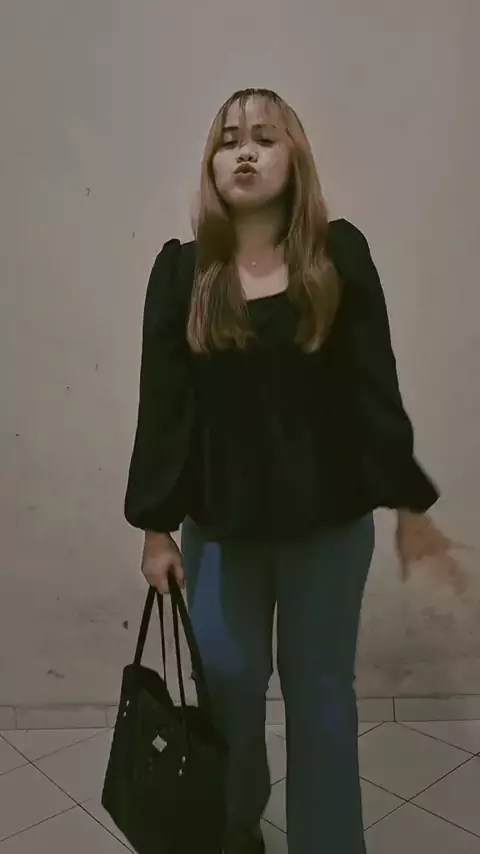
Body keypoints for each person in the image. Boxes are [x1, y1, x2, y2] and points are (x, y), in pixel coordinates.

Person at [124, 88, 464, 854]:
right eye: (228, 139)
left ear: (295, 158)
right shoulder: (183, 274)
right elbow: (165, 409)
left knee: (320, 697)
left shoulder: (338, 257)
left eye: (265, 137)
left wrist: (410, 508)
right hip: (221, 531)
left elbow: (373, 386)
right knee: (230, 693)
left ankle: (328, 841)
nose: (244, 151)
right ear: (212, 164)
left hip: (328, 529)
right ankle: (233, 828)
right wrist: (155, 528)